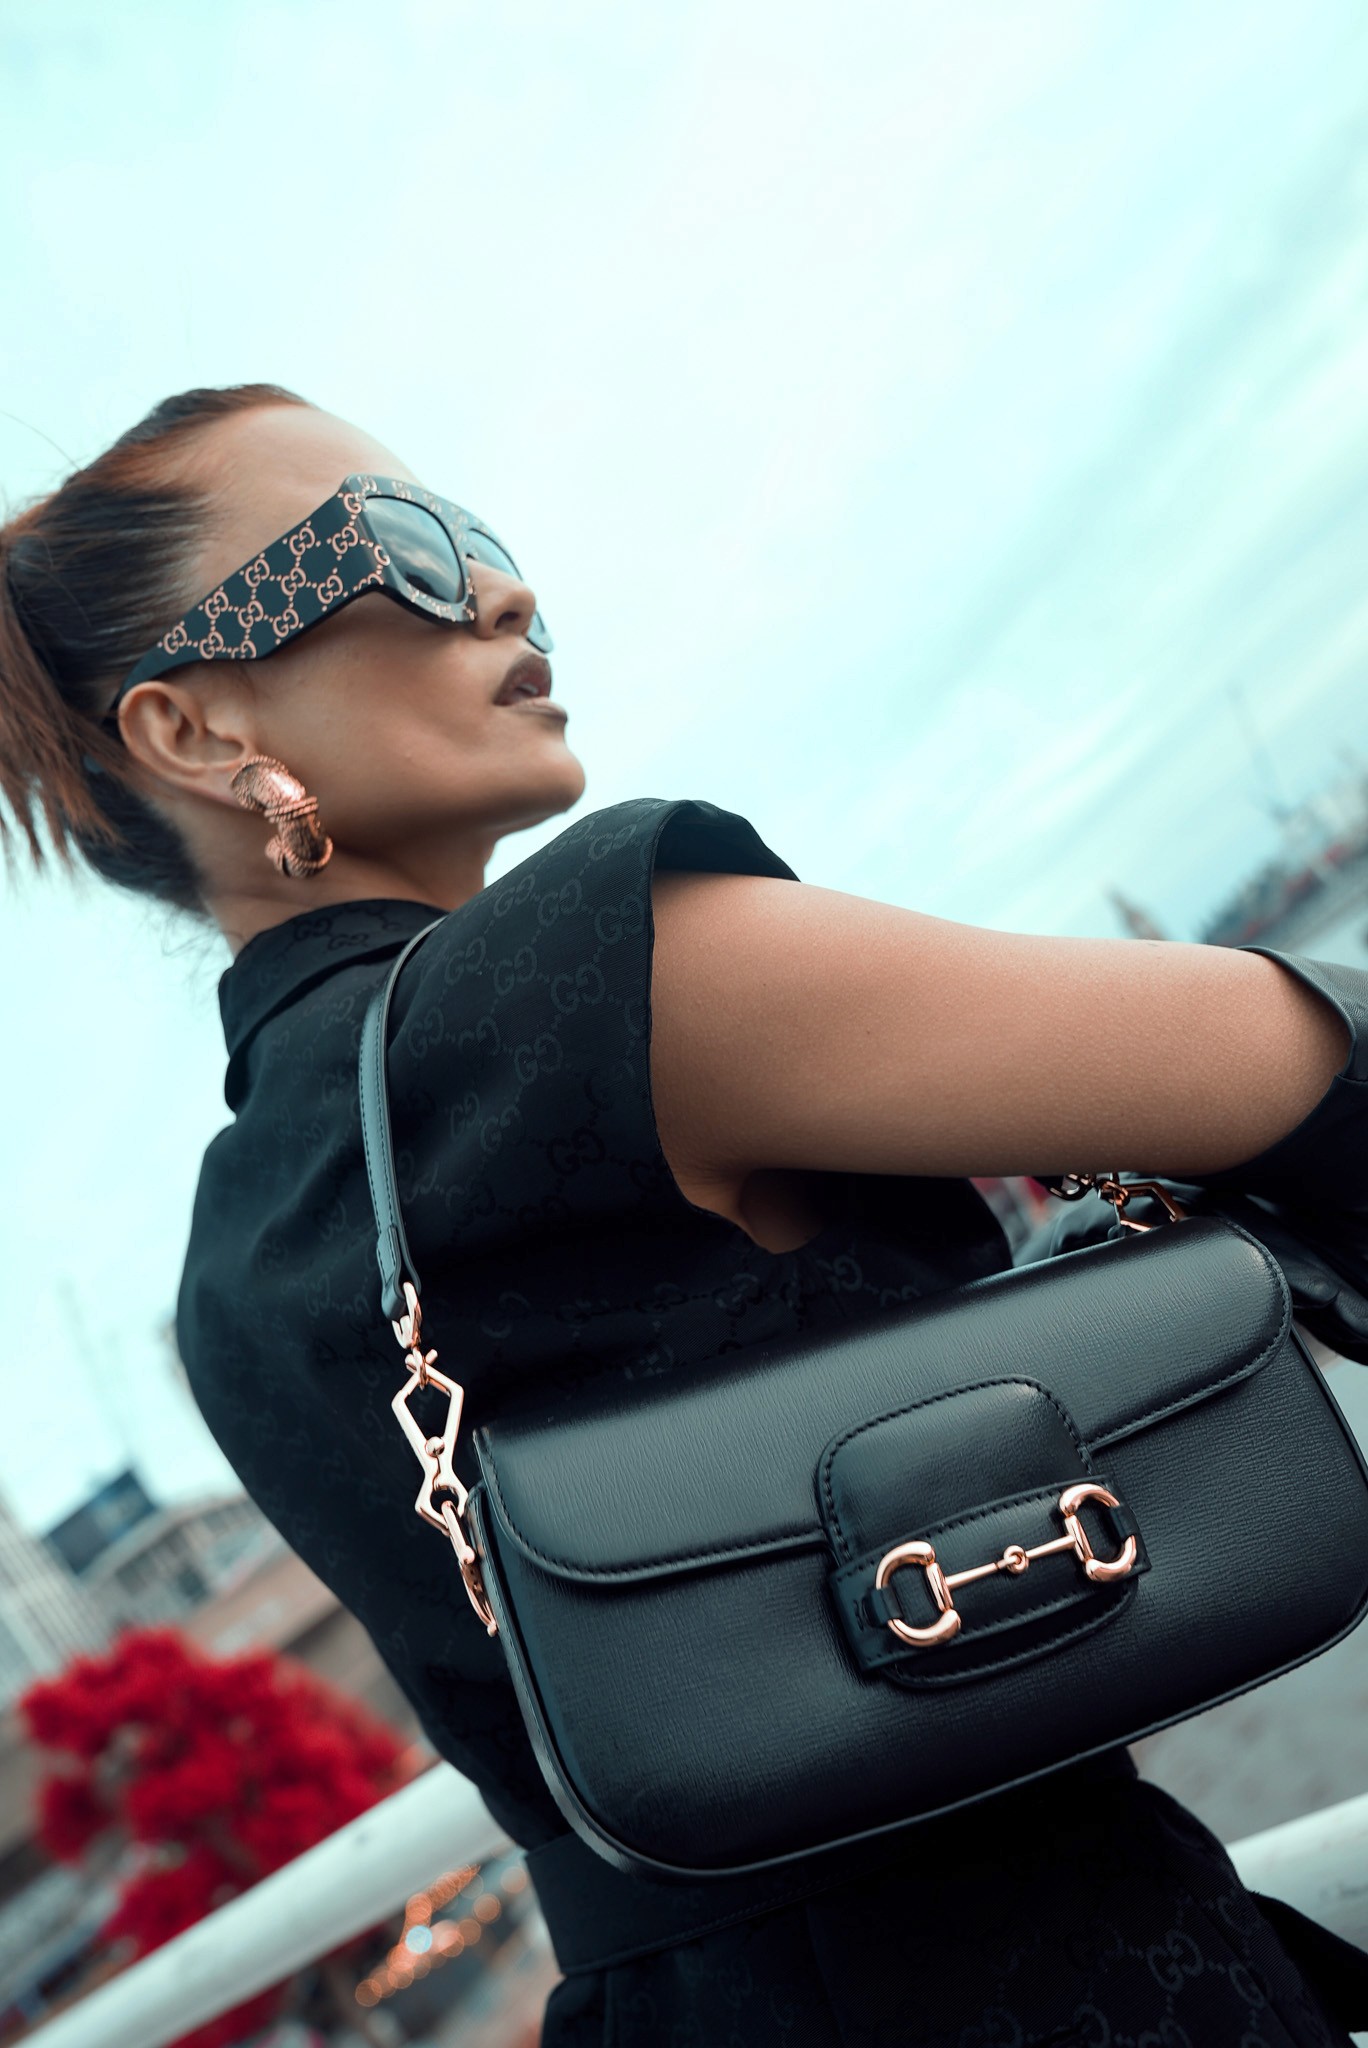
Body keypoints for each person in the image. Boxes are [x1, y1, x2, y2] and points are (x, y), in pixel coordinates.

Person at [4, 380, 1367, 2047]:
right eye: (396, 549)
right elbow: (1312, 1067)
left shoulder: (230, 1258)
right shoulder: (588, 985)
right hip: (1046, 1984)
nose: (502, 592)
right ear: (199, 733)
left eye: (485, 543)